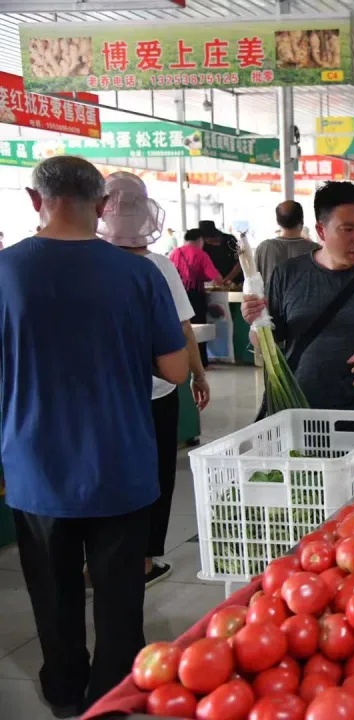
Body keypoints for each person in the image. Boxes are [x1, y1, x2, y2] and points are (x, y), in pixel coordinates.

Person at [0, 157, 188, 715]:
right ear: (103, 206)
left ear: (36, 201)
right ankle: (113, 695)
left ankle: (62, 691)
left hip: (35, 466)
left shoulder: (6, 271)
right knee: (118, 595)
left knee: (53, 594)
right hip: (120, 462)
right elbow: (175, 372)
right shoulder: (138, 275)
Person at [99, 171, 210, 588]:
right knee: (156, 473)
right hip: (156, 391)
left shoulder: (90, 259)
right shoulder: (156, 265)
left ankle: (101, 560)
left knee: (110, 472)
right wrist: (197, 375)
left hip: (105, 395)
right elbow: (182, 330)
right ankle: (144, 560)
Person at [241, 182, 354, 411]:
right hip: (298, 412)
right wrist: (255, 323)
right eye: (348, 229)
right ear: (321, 230)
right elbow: (268, 343)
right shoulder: (287, 274)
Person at [170, 227, 222, 366]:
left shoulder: (175, 253)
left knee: (182, 328)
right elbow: (216, 278)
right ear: (200, 240)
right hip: (195, 296)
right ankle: (201, 362)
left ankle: (184, 360)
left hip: (177, 296)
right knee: (199, 331)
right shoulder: (201, 254)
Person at [255, 201, 320, 285]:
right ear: (302, 220)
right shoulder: (316, 250)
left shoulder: (264, 248)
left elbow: (254, 281)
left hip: (269, 298)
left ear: (278, 221)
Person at [199, 220, 242, 287]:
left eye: (205, 238)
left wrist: (227, 279)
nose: (205, 241)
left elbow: (240, 262)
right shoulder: (204, 246)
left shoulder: (229, 240)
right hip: (215, 283)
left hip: (235, 281)